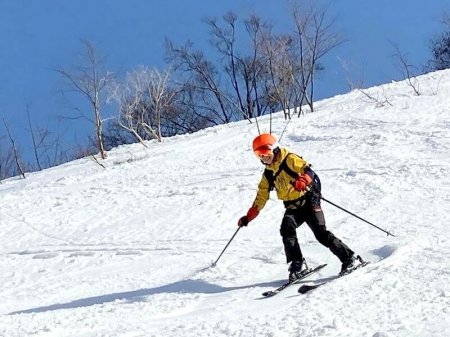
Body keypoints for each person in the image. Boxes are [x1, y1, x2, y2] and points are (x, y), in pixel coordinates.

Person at [238, 133, 357, 282]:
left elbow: (309, 172)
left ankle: (349, 259)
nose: (264, 158)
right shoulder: (268, 174)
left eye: (266, 153)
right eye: (259, 155)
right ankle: (297, 263)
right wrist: (248, 216)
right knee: (286, 228)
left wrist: (302, 180)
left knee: (320, 233)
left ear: (274, 149)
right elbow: (261, 196)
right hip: (293, 206)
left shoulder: (289, 159)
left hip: (309, 200)